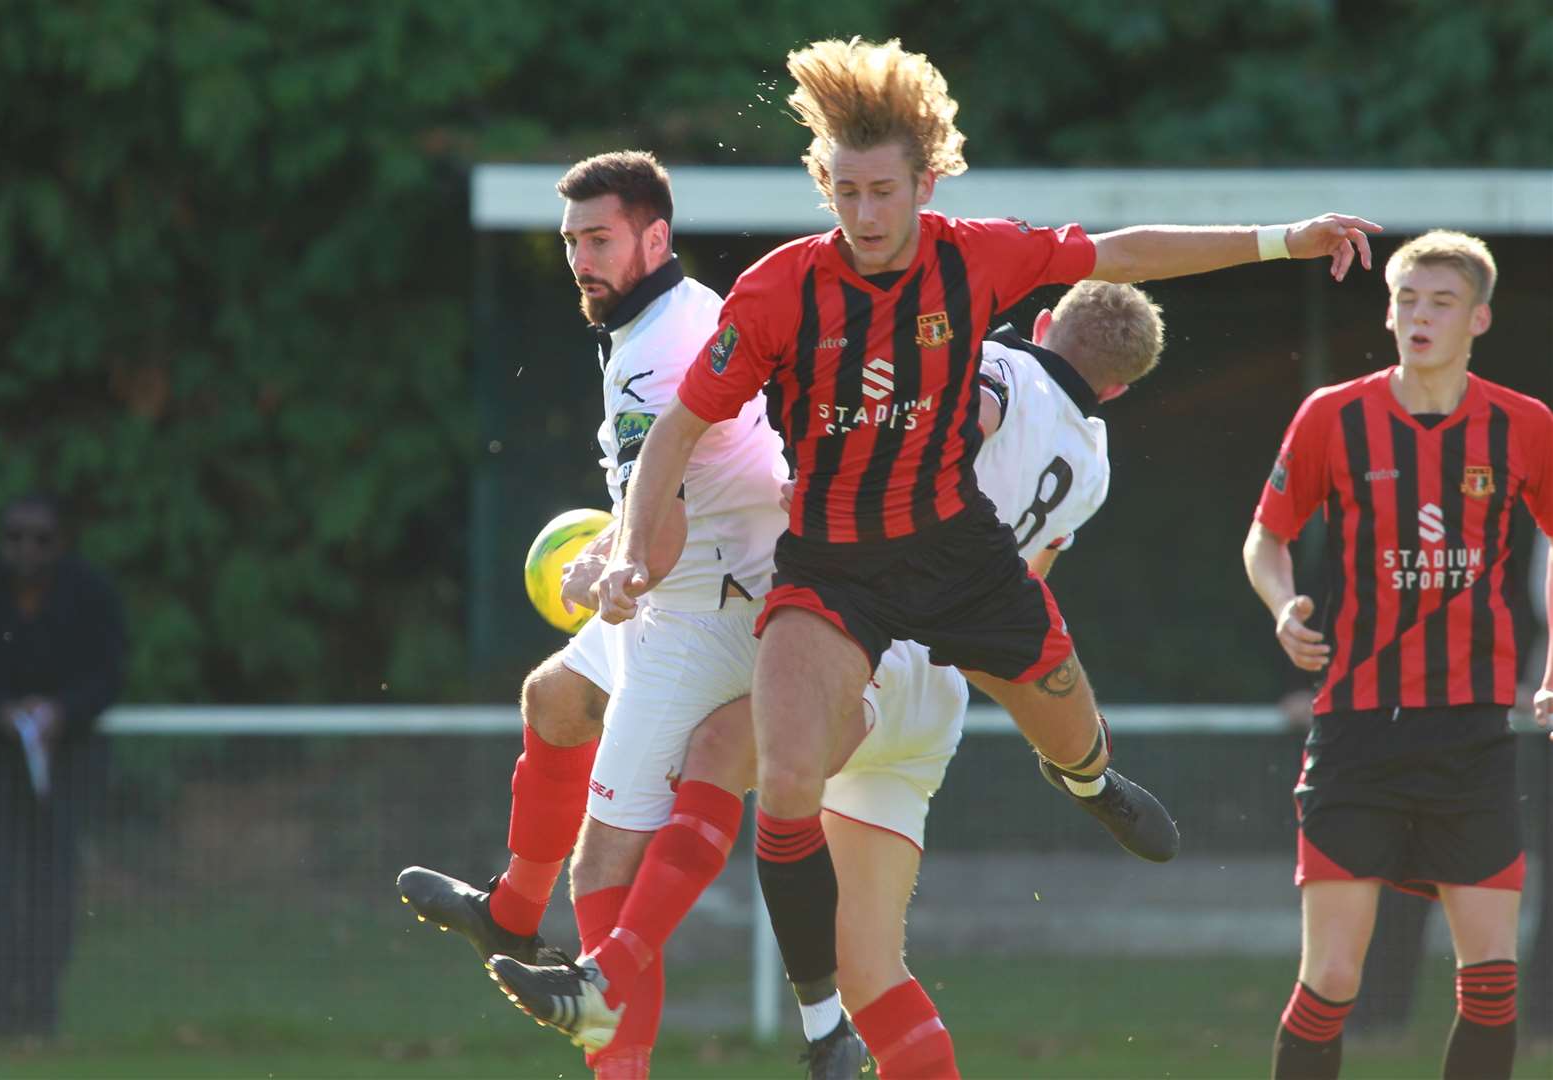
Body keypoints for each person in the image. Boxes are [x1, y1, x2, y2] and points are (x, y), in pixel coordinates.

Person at [497, 34, 1380, 1055]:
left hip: (961, 558)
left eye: (885, 192)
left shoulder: (980, 256)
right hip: (831, 574)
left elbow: (1127, 253)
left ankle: (1089, 780)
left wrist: (1287, 238)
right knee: (781, 779)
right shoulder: (780, 292)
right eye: (847, 191)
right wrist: (627, 555)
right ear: (822, 181)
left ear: (926, 182)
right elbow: (683, 429)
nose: (866, 217)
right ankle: (820, 1026)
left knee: (1070, 731)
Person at [483, 279, 1165, 1080]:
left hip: (873, 645)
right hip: (939, 692)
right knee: (871, 970)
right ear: (1114, 388)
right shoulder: (1091, 460)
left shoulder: (987, 365)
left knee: (722, 746)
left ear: (1043, 322)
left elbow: (950, 435)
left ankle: (613, 973)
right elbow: (1028, 579)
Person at [397, 149, 792, 1077]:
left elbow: (653, 548)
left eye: (600, 238)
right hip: (680, 594)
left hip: (704, 620)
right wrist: (618, 554)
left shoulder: (658, 355)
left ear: (655, 237)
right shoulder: (668, 318)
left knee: (605, 871)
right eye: (572, 239)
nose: (581, 257)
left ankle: (620, 1062)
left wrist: (600, 571)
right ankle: (509, 913)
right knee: (553, 700)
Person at [1242, 230, 1553, 1079]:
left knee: (1491, 985)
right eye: (1405, 299)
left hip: (1471, 737)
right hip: (1355, 735)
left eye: (1440, 302)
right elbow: (1265, 540)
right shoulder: (1331, 416)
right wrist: (1281, 607)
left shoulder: (1523, 426)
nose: (1418, 316)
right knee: (1331, 979)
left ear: (1478, 319)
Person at [0, 492, 126, 1040]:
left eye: (40, 539)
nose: (26, 551)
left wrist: (62, 711)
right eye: (14, 537)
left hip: (66, 764)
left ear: (59, 544)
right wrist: (0, 712)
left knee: (52, 888)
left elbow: (110, 671)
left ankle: (40, 1008)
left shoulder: (88, 594)